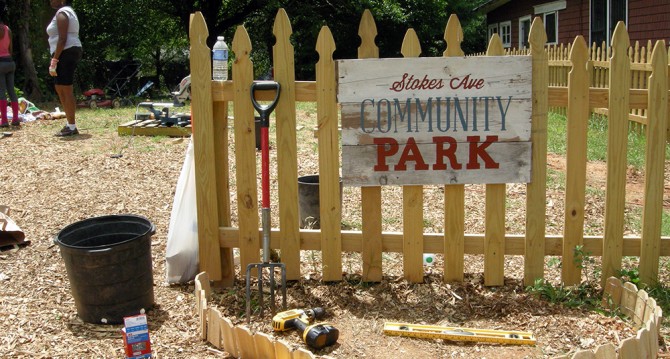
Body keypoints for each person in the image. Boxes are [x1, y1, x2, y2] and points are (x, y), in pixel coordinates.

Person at [47, 0, 82, 136]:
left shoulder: (63, 13)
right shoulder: (65, 12)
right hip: (64, 52)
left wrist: (55, 59)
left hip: (66, 52)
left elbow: (62, 38)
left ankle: (72, 127)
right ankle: (69, 124)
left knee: (66, 88)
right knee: (60, 87)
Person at [0, 3, 18, 128]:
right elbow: (10, 49)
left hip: (0, 63)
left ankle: (4, 120)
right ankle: (16, 119)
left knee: (1, 92)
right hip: (10, 62)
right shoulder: (7, 29)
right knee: (12, 91)